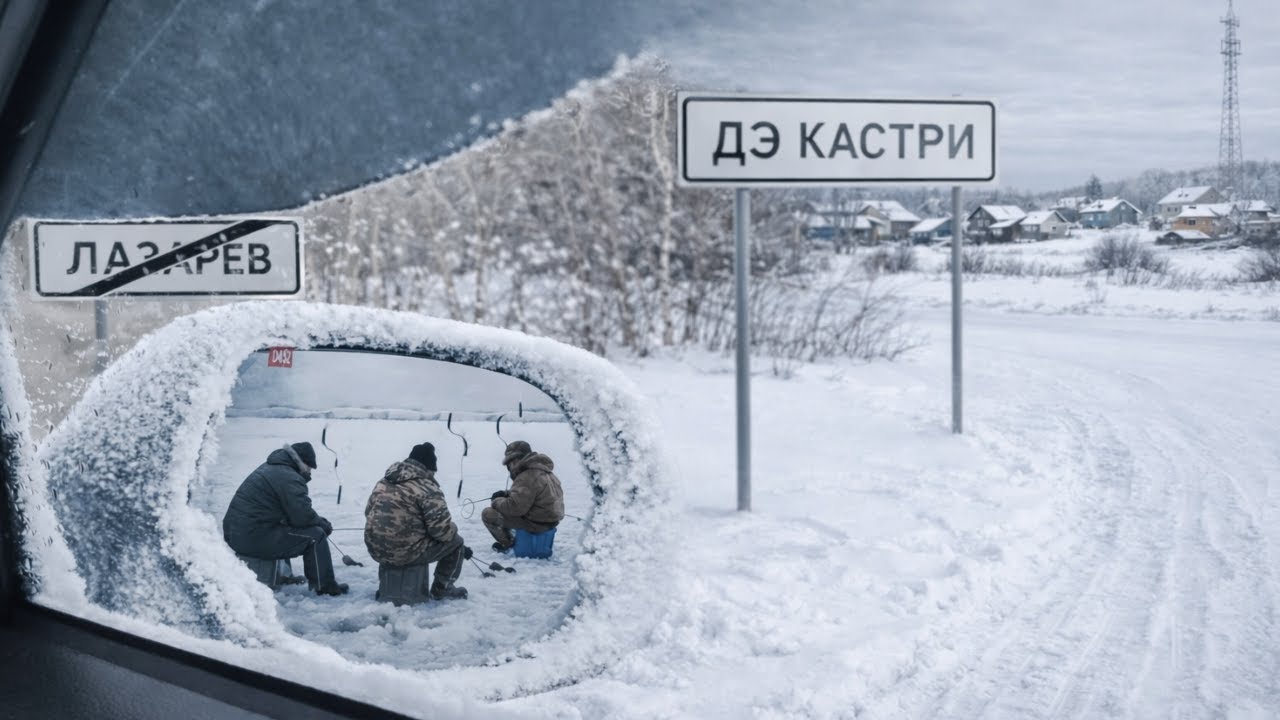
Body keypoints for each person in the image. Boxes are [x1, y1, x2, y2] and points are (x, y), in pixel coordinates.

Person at [222, 442, 348, 596]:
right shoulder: (288, 477)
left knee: (287, 527)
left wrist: (316, 520)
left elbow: (294, 514)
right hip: (252, 536)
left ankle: (284, 576)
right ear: (302, 463)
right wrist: (323, 525)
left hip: (238, 533)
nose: (309, 473)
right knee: (315, 536)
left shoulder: (273, 467)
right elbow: (302, 516)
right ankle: (325, 587)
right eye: (309, 468)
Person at [363, 442, 469, 600]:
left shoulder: (384, 482)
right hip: (406, 552)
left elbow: (368, 512)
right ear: (429, 468)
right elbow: (442, 532)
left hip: (376, 549)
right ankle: (443, 588)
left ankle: (387, 587)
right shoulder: (428, 488)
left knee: (388, 539)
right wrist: (453, 527)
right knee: (457, 542)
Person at [483, 440, 565, 553]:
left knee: (488, 514)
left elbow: (515, 508)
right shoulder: (545, 472)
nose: (509, 467)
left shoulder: (526, 476)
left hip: (534, 526)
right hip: (549, 524)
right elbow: (533, 493)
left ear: (516, 460)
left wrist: (496, 501)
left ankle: (510, 544)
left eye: (509, 463)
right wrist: (507, 494)